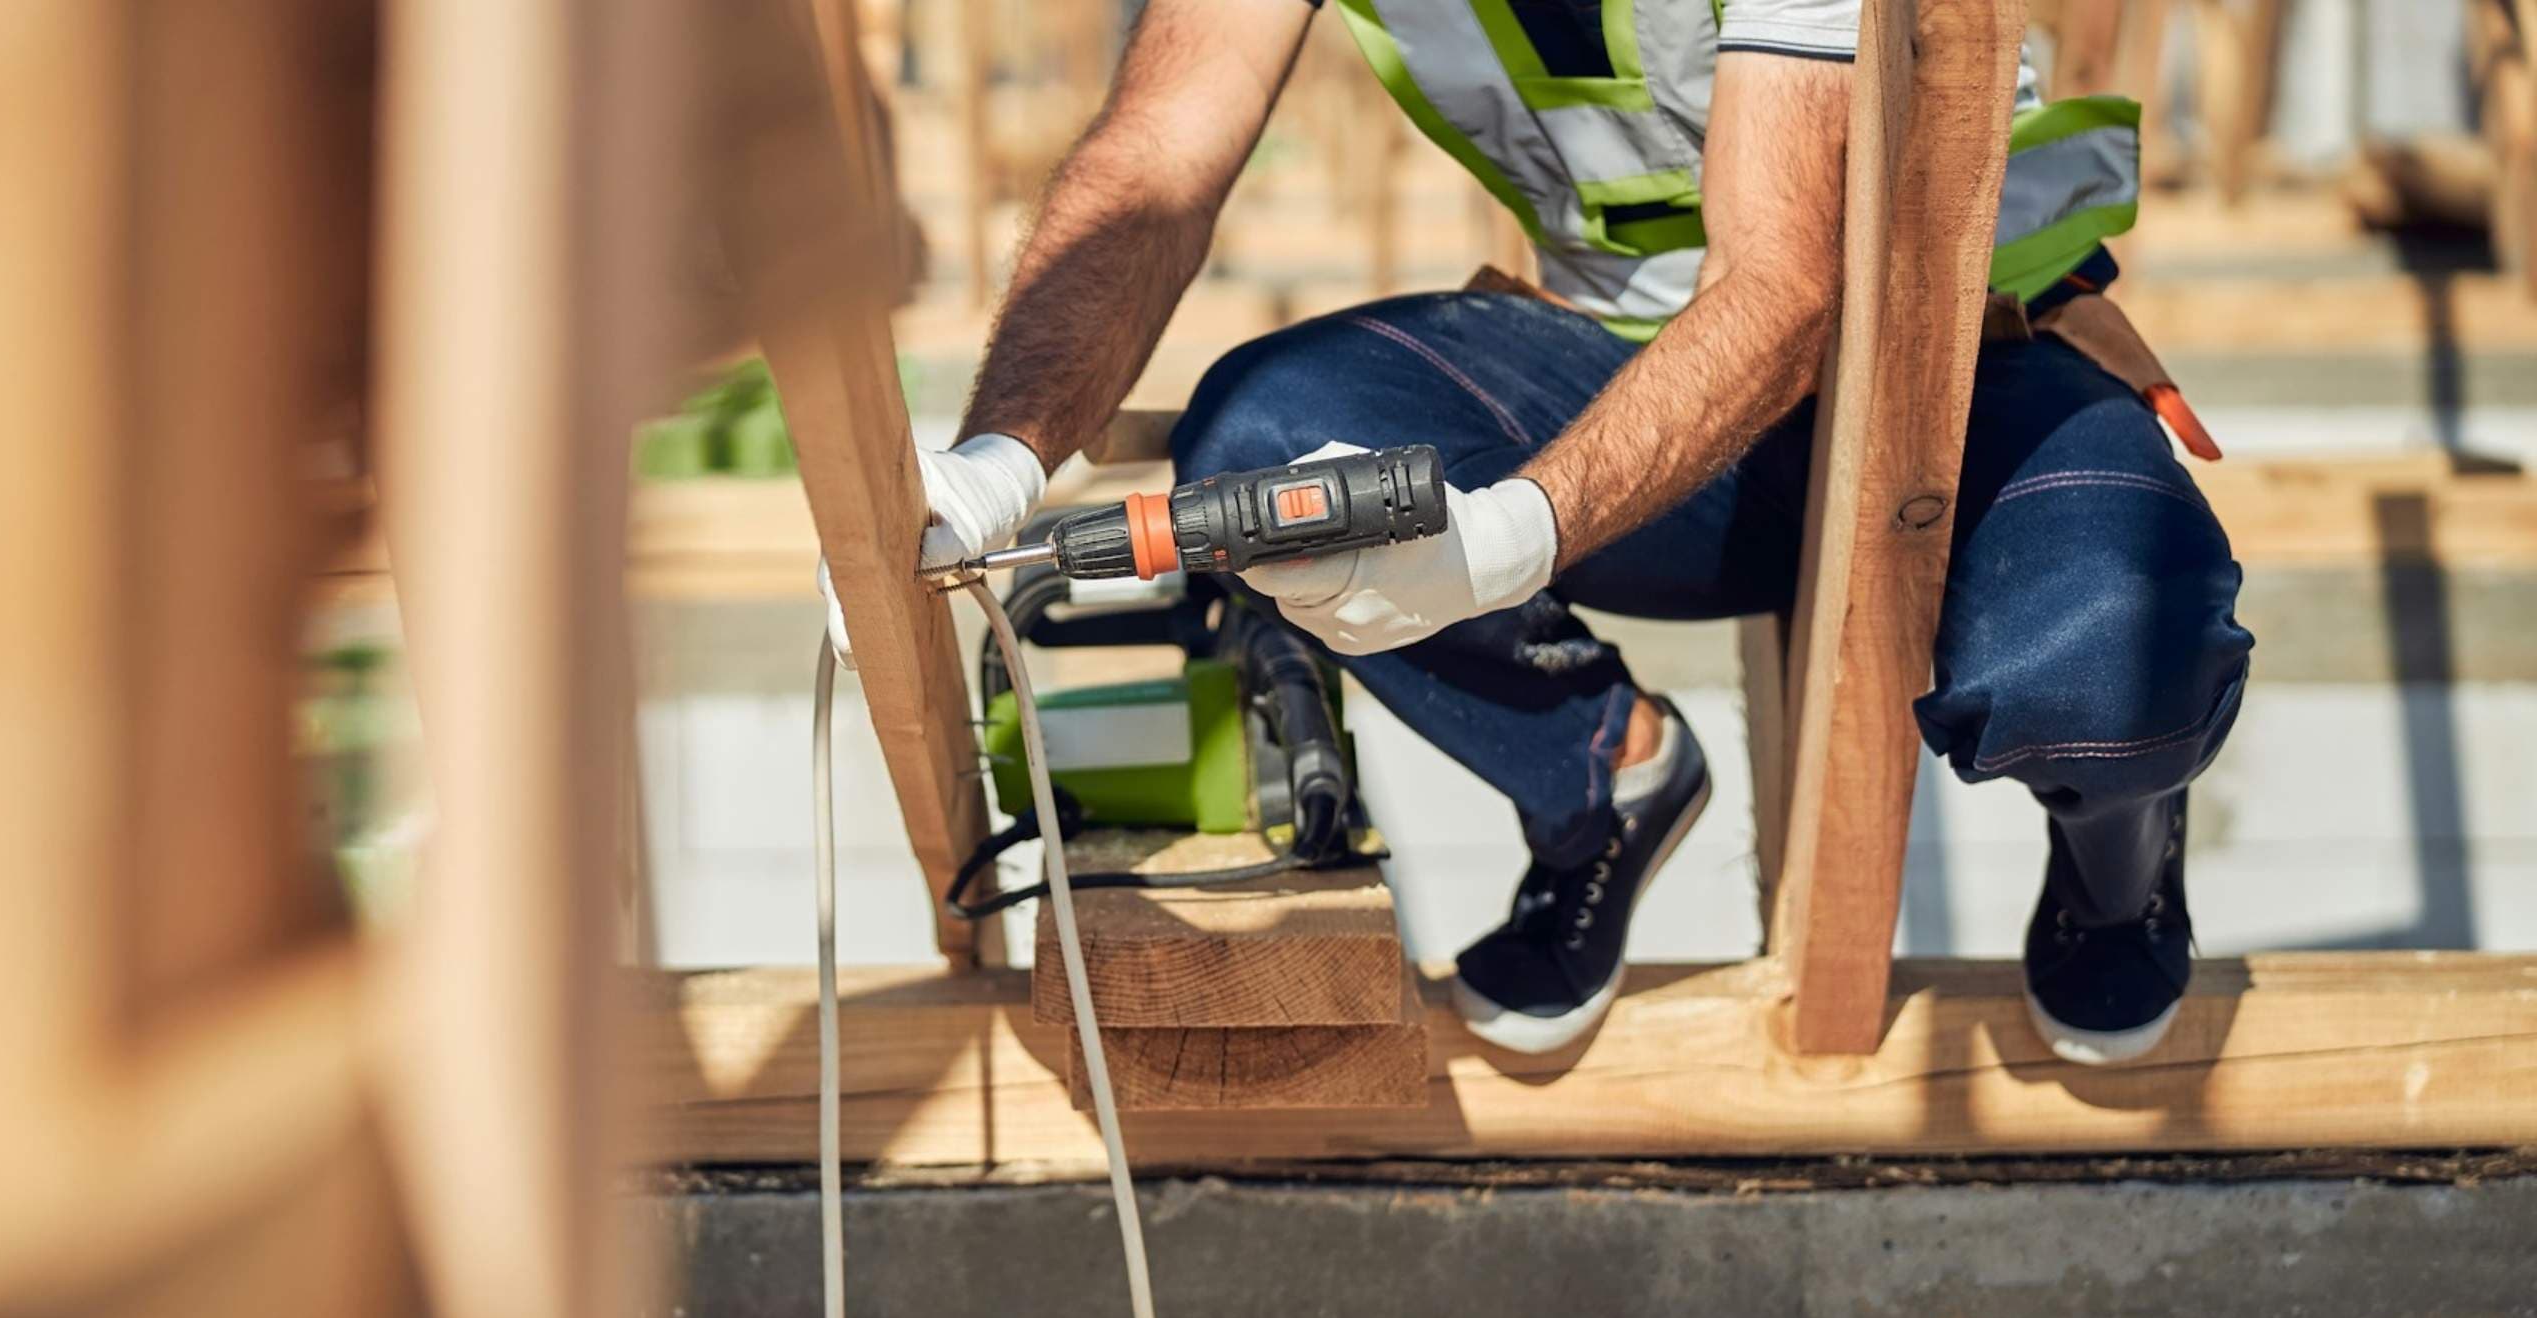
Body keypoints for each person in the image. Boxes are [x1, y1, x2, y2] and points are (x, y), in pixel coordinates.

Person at [826, 0, 2253, 1065]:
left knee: (2109, 662)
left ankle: (2119, 859)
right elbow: (1153, 162)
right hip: (1640, 375)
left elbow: (1790, 286)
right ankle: (1601, 772)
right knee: (1269, 446)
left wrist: (1513, 534)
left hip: (1970, 360)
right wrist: (995, 463)